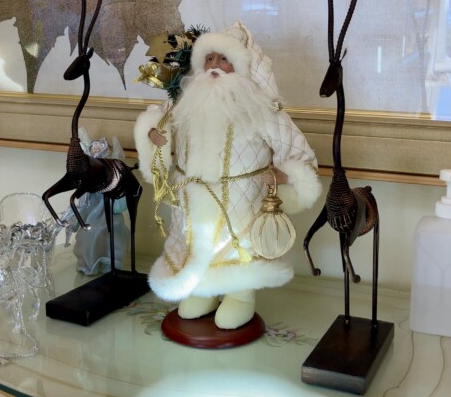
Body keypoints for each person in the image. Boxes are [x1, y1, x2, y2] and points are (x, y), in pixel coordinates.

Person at [134, 22, 322, 329]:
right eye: (209, 59)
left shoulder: (261, 109)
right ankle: (203, 290)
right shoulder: (184, 103)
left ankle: (240, 296)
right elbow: (161, 131)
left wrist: (286, 175)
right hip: (191, 199)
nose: (215, 66)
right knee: (194, 242)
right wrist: (154, 136)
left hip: (240, 201)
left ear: (240, 65)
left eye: (224, 60)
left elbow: (295, 149)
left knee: (236, 247)